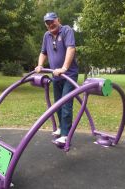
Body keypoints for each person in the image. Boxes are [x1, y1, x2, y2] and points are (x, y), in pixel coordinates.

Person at [35, 12, 79, 145]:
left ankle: (66, 135)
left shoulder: (66, 30)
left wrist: (64, 68)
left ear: (58, 20)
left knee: (66, 104)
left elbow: (71, 49)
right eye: (47, 23)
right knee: (57, 104)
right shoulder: (46, 35)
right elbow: (43, 52)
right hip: (56, 75)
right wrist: (40, 65)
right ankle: (61, 128)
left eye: (52, 21)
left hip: (68, 74)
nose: (50, 24)